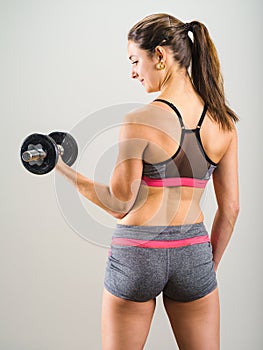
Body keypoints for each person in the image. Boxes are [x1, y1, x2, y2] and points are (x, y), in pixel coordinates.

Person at [56, 13, 239, 350]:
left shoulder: (140, 119)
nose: (133, 72)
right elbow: (230, 209)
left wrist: (63, 169)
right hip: (194, 251)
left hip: (138, 254)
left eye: (135, 60)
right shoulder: (223, 123)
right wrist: (202, 268)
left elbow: (119, 203)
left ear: (159, 55)